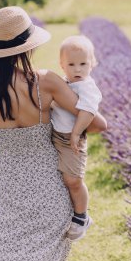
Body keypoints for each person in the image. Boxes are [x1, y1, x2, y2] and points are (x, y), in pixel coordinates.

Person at [0, 6, 107, 261]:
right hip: (52, 197)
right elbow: (99, 124)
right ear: (25, 47)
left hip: (9, 199)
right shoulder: (45, 82)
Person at [51, 35, 102, 242]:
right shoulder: (64, 83)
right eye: (71, 64)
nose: (78, 69)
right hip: (57, 135)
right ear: (62, 65)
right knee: (60, 178)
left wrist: (75, 132)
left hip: (73, 139)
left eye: (83, 64)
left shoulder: (87, 87)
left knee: (73, 179)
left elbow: (88, 111)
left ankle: (82, 216)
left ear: (92, 64)